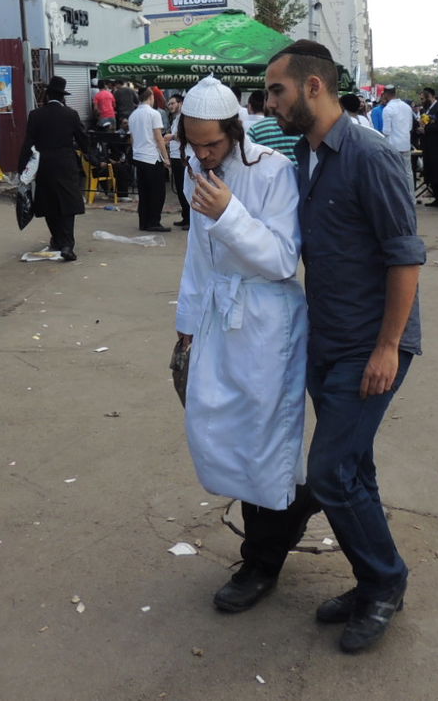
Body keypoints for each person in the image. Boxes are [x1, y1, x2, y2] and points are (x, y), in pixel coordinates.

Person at [260, 40, 425, 653]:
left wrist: (388, 348)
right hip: (325, 341)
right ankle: (368, 581)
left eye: (277, 89)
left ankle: (386, 581)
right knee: (354, 468)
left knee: (328, 472)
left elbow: (405, 257)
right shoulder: (305, 156)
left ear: (313, 87)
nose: (269, 101)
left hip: (370, 344)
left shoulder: (369, 154)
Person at [171, 76, 309, 615]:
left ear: (235, 131)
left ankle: (262, 561)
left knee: (264, 441)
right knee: (215, 426)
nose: (205, 154)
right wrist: (185, 321)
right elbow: (197, 253)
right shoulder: (194, 172)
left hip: (266, 323)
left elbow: (280, 259)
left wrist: (229, 211)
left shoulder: (273, 172)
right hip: (216, 316)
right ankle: (294, 509)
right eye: (195, 144)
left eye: (214, 144)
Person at [20, 76, 91, 261]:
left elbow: (28, 143)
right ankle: (67, 244)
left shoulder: (35, 115)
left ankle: (58, 240)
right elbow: (83, 139)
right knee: (67, 204)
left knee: (48, 203)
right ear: (62, 97)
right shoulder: (71, 114)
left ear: (47, 94)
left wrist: (22, 168)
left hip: (44, 165)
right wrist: (94, 158)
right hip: (66, 164)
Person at [128, 85, 170, 232]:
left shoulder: (133, 115)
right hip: (151, 157)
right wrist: (166, 158)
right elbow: (159, 138)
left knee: (144, 192)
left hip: (138, 156)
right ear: (151, 97)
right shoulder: (154, 114)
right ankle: (154, 221)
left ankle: (144, 221)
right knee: (157, 192)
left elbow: (132, 139)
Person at [380, 86, 415, 199]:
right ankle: (411, 198)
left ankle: (396, 198)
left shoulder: (388, 109)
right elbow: (410, 127)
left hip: (392, 145)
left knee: (393, 173)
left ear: (385, 94)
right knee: (408, 173)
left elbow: (386, 131)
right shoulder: (407, 107)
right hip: (405, 144)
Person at [164, 92, 191, 227]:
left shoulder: (185, 118)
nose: (170, 106)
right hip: (175, 156)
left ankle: (190, 219)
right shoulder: (176, 119)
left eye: (172, 103)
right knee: (180, 189)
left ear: (180, 103)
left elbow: (186, 136)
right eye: (169, 104)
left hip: (183, 156)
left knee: (186, 189)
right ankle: (185, 217)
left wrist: (172, 137)